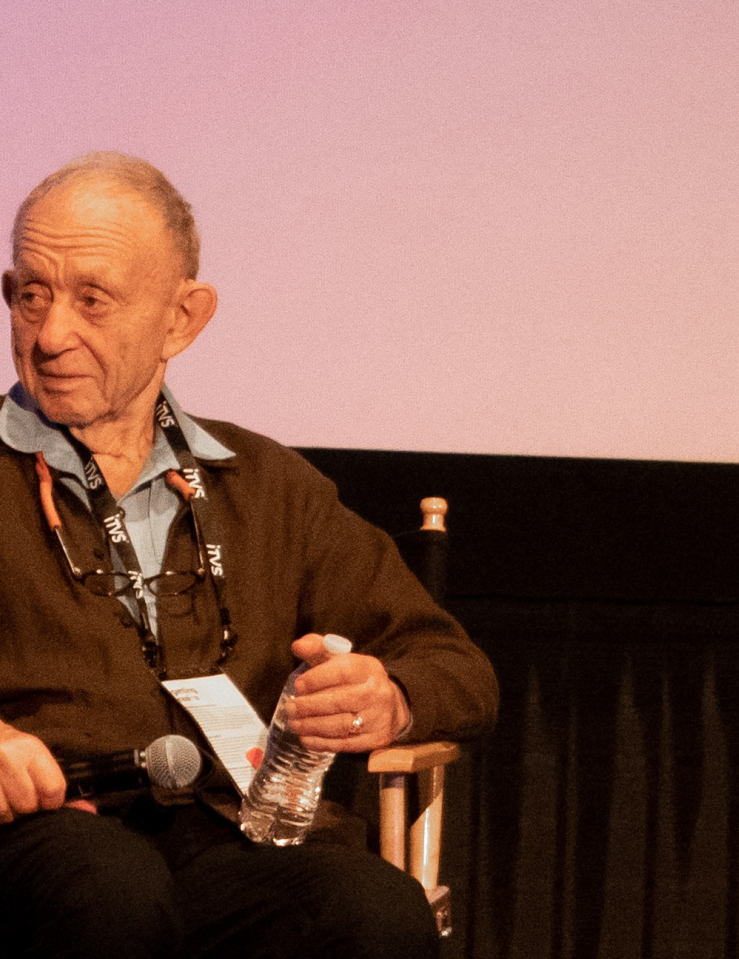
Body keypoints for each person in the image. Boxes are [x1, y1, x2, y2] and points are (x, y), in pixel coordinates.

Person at [0, 152, 498, 958]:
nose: (52, 334)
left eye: (92, 300)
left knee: (375, 911)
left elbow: (454, 664)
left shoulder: (266, 484)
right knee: (111, 891)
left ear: (182, 318)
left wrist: (389, 695)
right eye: (32, 295)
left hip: (230, 835)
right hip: (42, 837)